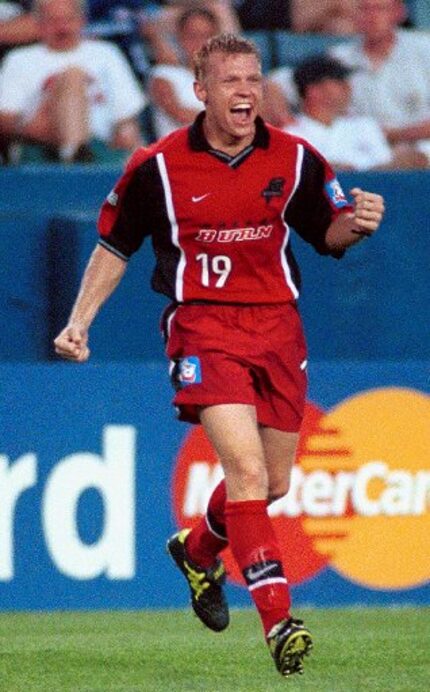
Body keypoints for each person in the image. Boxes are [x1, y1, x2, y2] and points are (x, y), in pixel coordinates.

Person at [53, 33, 384, 677]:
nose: (246, 93)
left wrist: (359, 222)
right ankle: (279, 622)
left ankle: (198, 550)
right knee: (249, 473)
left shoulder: (294, 156)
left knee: (274, 481)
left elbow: (329, 231)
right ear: (200, 92)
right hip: (203, 326)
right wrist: (78, 323)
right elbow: (113, 245)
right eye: (231, 82)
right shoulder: (157, 166)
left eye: (254, 80)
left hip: (279, 329)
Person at [0, 0, 146, 163]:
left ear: (82, 20)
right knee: (73, 77)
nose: (62, 28)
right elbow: (5, 120)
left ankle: (74, 154)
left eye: (68, 20)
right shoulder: (19, 59)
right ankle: (74, 154)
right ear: (39, 24)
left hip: (101, 146)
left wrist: (125, 132)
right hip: (39, 149)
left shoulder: (106, 53)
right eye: (53, 21)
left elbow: (126, 115)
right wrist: (26, 130)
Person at [285, 54, 427, 170]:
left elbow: (386, 169)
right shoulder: (292, 134)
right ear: (314, 90)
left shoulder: (365, 125)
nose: (348, 87)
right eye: (339, 81)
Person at [330, 0, 430, 163]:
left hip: (422, 150)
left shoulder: (425, 49)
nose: (372, 17)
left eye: (380, 9)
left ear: (399, 12)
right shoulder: (339, 58)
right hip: (362, 153)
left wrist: (395, 135)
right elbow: (282, 81)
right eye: (365, 9)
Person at [149, 7, 219, 139]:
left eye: (207, 36)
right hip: (180, 153)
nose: (201, 43)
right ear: (180, 37)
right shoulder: (163, 74)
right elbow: (179, 114)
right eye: (193, 36)